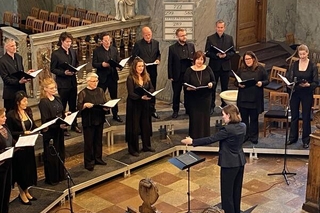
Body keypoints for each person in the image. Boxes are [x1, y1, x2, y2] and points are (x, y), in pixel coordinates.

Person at [181, 104, 246, 213]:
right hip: (240, 162)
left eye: (224, 115)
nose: (222, 117)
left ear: (229, 115)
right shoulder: (243, 126)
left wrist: (192, 142)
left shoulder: (227, 130)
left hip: (229, 164)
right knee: (236, 191)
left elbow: (211, 139)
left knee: (227, 193)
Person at [6, 91, 37, 205]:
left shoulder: (27, 111)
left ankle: (26, 190)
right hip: (19, 147)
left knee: (28, 170)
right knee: (21, 171)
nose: (26, 103)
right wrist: (23, 132)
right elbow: (10, 132)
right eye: (24, 101)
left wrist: (40, 129)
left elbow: (32, 124)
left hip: (29, 145)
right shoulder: (11, 115)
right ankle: (21, 193)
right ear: (18, 102)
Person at [286, 44, 318, 149]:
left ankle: (306, 140)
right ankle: (292, 138)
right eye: (300, 54)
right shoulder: (294, 64)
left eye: (304, 54)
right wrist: (289, 84)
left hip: (306, 93)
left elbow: (316, 82)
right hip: (295, 92)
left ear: (307, 53)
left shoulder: (312, 65)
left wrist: (309, 85)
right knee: (294, 116)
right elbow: (289, 77)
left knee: (306, 117)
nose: (302, 56)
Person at [50, 32, 82, 135]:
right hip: (63, 84)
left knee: (73, 105)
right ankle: (63, 127)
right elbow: (53, 69)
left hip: (73, 82)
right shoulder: (56, 54)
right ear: (62, 41)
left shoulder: (72, 51)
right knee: (62, 106)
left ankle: (74, 124)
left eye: (70, 42)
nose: (69, 44)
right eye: (67, 42)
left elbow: (76, 62)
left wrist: (76, 68)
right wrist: (64, 73)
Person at [38, 78, 68, 185]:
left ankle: (60, 174)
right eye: (51, 88)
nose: (54, 90)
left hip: (59, 131)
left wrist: (66, 117)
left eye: (54, 87)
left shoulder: (57, 98)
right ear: (45, 89)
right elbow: (46, 120)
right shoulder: (43, 102)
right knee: (51, 156)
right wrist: (59, 124)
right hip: (50, 132)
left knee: (60, 152)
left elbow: (61, 112)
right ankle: (52, 178)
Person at [77, 73, 109, 171]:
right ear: (88, 81)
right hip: (89, 120)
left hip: (99, 118)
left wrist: (106, 107)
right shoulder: (83, 93)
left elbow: (104, 102)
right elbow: (78, 108)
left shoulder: (100, 91)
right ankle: (89, 162)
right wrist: (85, 105)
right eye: (93, 81)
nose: (95, 83)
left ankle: (98, 158)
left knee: (98, 140)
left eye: (96, 81)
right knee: (89, 142)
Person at [235, 51, 269, 144]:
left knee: (254, 119)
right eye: (246, 59)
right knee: (244, 119)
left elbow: (267, 80)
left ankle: (254, 137)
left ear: (253, 59)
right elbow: (235, 81)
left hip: (255, 98)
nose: (247, 61)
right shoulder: (241, 69)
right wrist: (239, 84)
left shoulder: (260, 69)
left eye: (249, 59)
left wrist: (261, 83)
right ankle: (245, 136)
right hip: (244, 98)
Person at [125, 57, 155, 156]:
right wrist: (141, 97)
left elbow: (151, 88)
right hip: (134, 104)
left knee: (145, 124)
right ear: (134, 67)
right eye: (139, 66)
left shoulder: (146, 76)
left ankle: (146, 145)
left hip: (145, 104)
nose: (141, 68)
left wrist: (149, 93)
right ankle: (133, 149)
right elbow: (131, 93)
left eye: (142, 66)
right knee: (134, 126)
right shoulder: (130, 78)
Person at [205, 20, 235, 114]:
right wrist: (217, 55)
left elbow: (233, 51)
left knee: (225, 87)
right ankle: (211, 106)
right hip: (214, 66)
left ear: (224, 28)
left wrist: (226, 55)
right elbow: (207, 52)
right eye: (218, 27)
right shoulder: (210, 38)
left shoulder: (229, 38)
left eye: (221, 27)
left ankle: (224, 105)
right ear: (215, 27)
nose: (220, 29)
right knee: (212, 88)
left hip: (225, 66)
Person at [184, 51, 215, 139]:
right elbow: (185, 84)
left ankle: (205, 137)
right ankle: (194, 137)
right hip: (193, 98)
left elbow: (214, 81)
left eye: (202, 59)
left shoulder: (208, 69)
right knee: (194, 118)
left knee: (205, 118)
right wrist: (189, 88)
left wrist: (211, 84)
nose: (199, 61)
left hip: (205, 98)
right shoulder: (189, 70)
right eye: (198, 59)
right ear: (194, 60)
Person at [92, 32, 122, 122]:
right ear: (102, 41)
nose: (108, 42)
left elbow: (118, 60)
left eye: (109, 40)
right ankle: (101, 115)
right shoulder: (97, 51)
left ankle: (115, 114)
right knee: (100, 97)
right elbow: (94, 64)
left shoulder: (114, 50)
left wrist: (119, 65)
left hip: (112, 77)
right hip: (102, 77)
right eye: (105, 41)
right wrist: (102, 64)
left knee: (114, 96)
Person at [132, 26, 161, 119]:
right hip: (142, 71)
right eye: (146, 35)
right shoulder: (138, 44)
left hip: (152, 70)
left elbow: (158, 54)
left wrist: (158, 59)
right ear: (143, 35)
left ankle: (152, 109)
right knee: (143, 89)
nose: (148, 36)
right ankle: (143, 108)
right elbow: (134, 57)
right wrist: (140, 63)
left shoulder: (156, 43)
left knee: (152, 89)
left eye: (149, 35)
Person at [0, 38, 34, 111]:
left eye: (15, 45)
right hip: (10, 94)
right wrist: (18, 82)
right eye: (12, 46)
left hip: (21, 90)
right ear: (6, 47)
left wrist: (26, 74)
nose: (14, 47)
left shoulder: (19, 57)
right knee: (12, 115)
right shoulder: (2, 61)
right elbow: (6, 79)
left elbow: (19, 73)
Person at [168, 28, 195, 118]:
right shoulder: (172, 48)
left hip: (188, 74)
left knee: (188, 93)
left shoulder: (191, 46)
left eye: (185, 35)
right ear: (177, 37)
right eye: (182, 35)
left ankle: (188, 109)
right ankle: (175, 110)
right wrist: (170, 75)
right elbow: (170, 62)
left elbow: (194, 60)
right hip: (177, 74)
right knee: (176, 93)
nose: (184, 37)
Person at [0, 108, 13, 213]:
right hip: (1, 166)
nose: (5, 118)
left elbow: (10, 140)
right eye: (2, 116)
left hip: (8, 164)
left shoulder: (5, 127)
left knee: (7, 190)